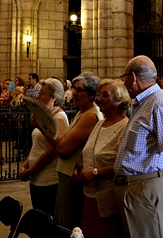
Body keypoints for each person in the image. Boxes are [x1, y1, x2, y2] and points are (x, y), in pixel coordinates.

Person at [115, 56, 163, 238]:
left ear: (133, 77)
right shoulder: (143, 103)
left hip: (147, 192)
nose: (123, 82)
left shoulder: (160, 103)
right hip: (136, 191)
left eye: (124, 77)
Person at [75, 80, 130, 238]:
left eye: (105, 95)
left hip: (109, 199)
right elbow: (90, 153)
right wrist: (79, 169)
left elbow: (125, 163)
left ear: (119, 100)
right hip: (89, 196)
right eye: (99, 94)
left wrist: (95, 172)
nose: (99, 98)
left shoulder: (125, 127)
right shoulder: (100, 124)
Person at [54, 72, 102, 229]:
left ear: (92, 94)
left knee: (68, 223)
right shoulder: (82, 112)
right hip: (67, 173)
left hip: (72, 176)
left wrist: (62, 141)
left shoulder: (90, 116)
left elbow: (63, 149)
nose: (74, 93)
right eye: (74, 88)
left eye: (79, 90)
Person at [21, 78, 68, 218]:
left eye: (42, 93)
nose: (38, 96)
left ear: (53, 97)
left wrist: (31, 170)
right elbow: (37, 145)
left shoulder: (59, 117)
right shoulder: (45, 116)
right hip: (36, 178)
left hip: (48, 179)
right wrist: (25, 164)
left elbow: (53, 151)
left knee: (46, 219)